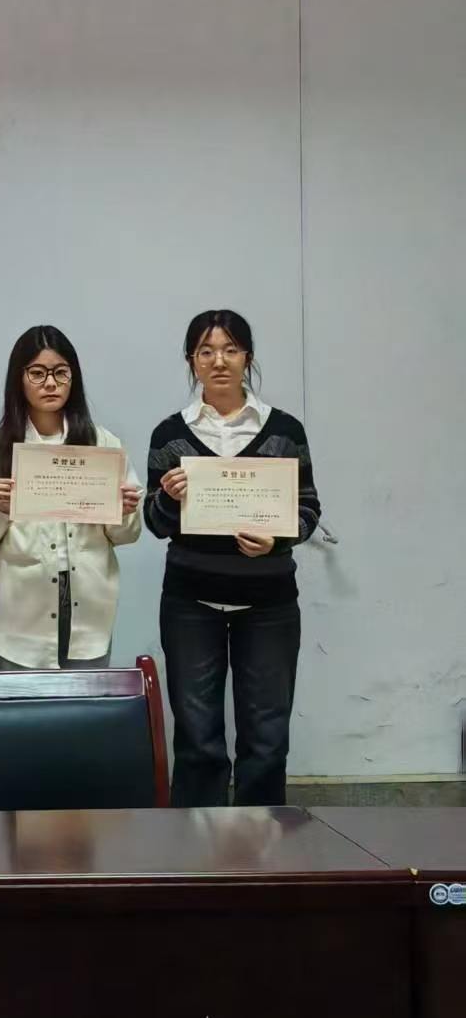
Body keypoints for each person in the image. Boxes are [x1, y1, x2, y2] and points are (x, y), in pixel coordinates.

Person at [145, 309, 322, 807]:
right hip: (190, 602)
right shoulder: (170, 434)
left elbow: (308, 508)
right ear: (191, 360)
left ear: (247, 357)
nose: (218, 361)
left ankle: (260, 846)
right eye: (206, 351)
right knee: (197, 737)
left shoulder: (284, 430)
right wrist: (169, 499)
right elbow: (154, 522)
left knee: (267, 737)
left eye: (230, 349)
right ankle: (196, 846)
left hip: (269, 603)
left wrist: (277, 540)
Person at [0, 326, 142, 670]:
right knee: (20, 706)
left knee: (83, 705)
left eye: (61, 372)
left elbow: (126, 535)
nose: (50, 383)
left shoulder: (102, 444)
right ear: (19, 379)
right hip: (15, 618)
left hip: (87, 610)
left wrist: (124, 511)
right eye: (37, 373)